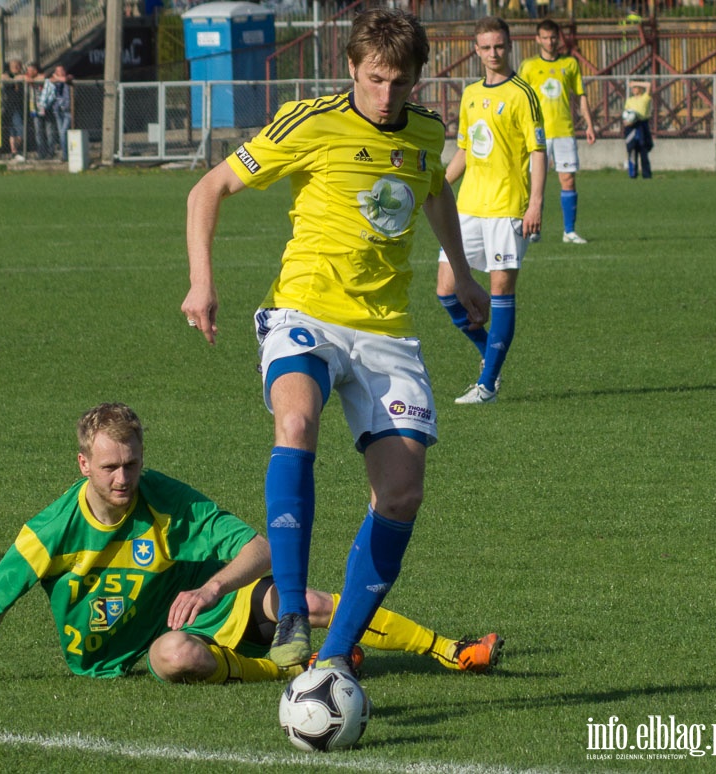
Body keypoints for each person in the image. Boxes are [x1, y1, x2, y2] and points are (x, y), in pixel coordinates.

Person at [182, 8, 492, 676]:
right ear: (351, 68)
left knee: (401, 495)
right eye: (375, 79)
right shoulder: (310, 121)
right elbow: (210, 187)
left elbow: (435, 189)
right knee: (295, 420)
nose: (386, 97)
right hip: (305, 314)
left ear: (417, 79)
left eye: (400, 83)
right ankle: (290, 608)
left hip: (386, 335)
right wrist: (201, 284)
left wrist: (462, 274)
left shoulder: (427, 131)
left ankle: (332, 657)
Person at [0, 403, 502, 689]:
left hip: (201, 606)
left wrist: (211, 586)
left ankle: (450, 649)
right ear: (83, 466)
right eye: (109, 468)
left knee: (305, 598)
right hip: (122, 657)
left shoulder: (163, 498)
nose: (123, 478)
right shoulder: (49, 531)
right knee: (177, 657)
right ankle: (288, 669)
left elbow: (264, 547)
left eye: (131, 463)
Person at [437, 16, 546, 405]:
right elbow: (465, 150)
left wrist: (535, 204)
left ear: (509, 46)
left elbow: (537, 151)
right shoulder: (469, 94)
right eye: (486, 47)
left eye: (499, 46)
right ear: (476, 50)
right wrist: (436, 186)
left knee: (501, 290)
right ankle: (491, 359)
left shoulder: (523, 94)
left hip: (508, 208)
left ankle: (487, 385)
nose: (494, 53)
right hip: (468, 206)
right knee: (446, 290)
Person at [518, 18, 595, 245]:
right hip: (537, 133)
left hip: (564, 130)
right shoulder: (529, 66)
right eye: (545, 37)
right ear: (537, 39)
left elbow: (580, 95)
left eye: (553, 37)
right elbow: (520, 98)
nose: (550, 42)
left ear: (558, 38)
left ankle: (569, 232)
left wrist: (589, 124)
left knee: (568, 179)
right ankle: (533, 229)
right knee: (534, 183)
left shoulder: (570, 64)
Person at [40, 65, 73, 162]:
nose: (61, 72)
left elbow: (65, 79)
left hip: (67, 110)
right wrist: (56, 78)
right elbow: (49, 80)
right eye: (58, 71)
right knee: (61, 133)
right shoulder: (54, 80)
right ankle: (65, 154)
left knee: (63, 132)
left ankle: (66, 155)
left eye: (62, 70)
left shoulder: (68, 77)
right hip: (57, 110)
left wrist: (58, 77)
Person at [623, 80, 653, 179]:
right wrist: (627, 122)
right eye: (633, 88)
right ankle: (632, 174)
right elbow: (626, 114)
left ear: (640, 88)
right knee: (632, 150)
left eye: (636, 88)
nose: (634, 89)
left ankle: (646, 175)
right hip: (631, 127)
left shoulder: (645, 98)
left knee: (643, 150)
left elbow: (649, 85)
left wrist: (635, 83)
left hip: (642, 125)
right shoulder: (629, 100)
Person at [2, 59, 25, 161]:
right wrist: (15, 78)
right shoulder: (7, 75)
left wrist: (19, 77)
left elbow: (23, 77)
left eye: (18, 66)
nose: (16, 68)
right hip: (10, 106)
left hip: (20, 105)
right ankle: (14, 151)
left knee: (19, 130)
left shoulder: (22, 75)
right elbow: (5, 78)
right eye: (14, 66)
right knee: (14, 130)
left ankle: (16, 150)